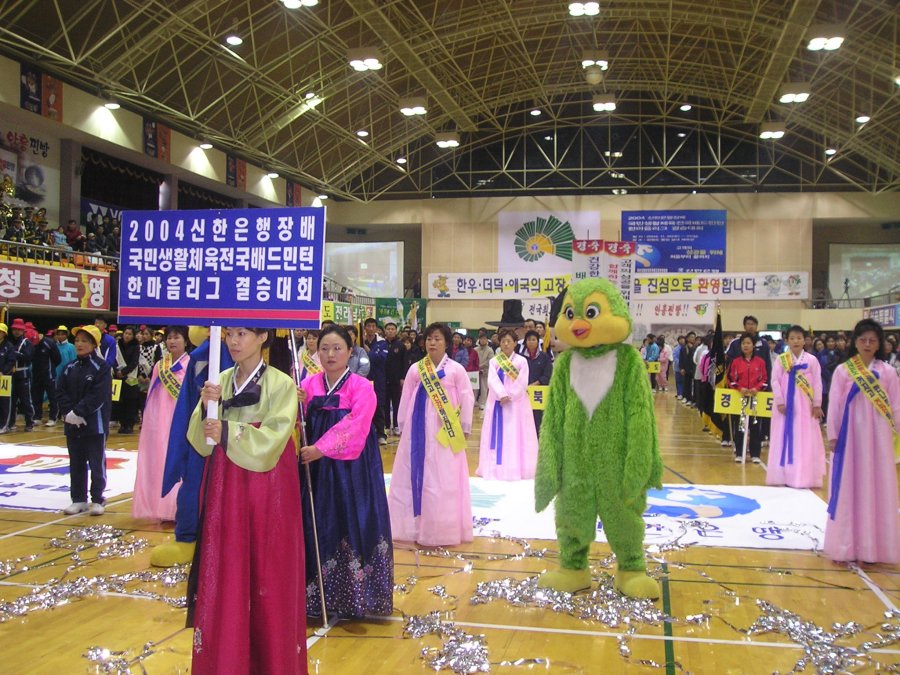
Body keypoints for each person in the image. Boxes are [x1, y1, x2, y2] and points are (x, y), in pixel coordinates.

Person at [186, 327, 306, 673]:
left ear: (263, 337)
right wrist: (207, 406)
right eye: (229, 335)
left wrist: (227, 431)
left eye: (242, 334)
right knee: (226, 568)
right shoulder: (218, 379)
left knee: (269, 570)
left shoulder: (281, 384)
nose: (234, 342)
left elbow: (273, 440)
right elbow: (198, 439)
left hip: (266, 488)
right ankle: (225, 660)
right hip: (224, 486)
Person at [297, 325, 393, 618]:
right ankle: (315, 597)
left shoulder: (363, 387)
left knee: (353, 519)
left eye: (337, 348)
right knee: (317, 522)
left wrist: (320, 448)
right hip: (315, 470)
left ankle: (359, 597)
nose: (330, 354)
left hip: (352, 469)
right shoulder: (308, 385)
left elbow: (358, 424)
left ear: (351, 352)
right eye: (324, 348)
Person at [388, 323, 475, 546]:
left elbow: (466, 397)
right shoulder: (416, 369)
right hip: (417, 431)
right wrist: (403, 425)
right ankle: (413, 527)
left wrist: (464, 426)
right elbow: (406, 396)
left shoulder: (456, 370)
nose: (432, 343)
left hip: (445, 431)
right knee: (415, 474)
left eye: (437, 339)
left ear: (447, 343)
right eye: (429, 339)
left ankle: (442, 528)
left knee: (443, 476)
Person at [824, 319, 900, 564]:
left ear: (880, 344)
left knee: (878, 485)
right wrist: (833, 435)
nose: (867, 344)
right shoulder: (844, 371)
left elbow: (896, 406)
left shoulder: (888, 372)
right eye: (863, 339)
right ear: (855, 342)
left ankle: (874, 546)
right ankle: (847, 544)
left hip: (879, 438)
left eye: (873, 340)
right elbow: (834, 404)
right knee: (850, 484)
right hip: (850, 437)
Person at [132, 327, 192, 521]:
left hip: (179, 418)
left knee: (175, 460)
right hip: (158, 419)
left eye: (177, 337)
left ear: (186, 340)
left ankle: (176, 508)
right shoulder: (160, 365)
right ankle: (159, 506)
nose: (172, 341)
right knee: (158, 460)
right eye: (169, 338)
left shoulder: (191, 364)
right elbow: (152, 394)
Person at [57, 326, 112, 516]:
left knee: (97, 463)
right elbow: (61, 391)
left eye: (84, 341)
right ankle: (78, 499)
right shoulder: (69, 367)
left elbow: (98, 395)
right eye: (77, 340)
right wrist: (69, 413)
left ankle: (98, 499)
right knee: (76, 462)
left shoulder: (102, 368)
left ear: (94, 344)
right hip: (72, 425)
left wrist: (80, 412)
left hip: (94, 425)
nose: (79, 344)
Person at [766, 326, 826, 488]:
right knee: (783, 436)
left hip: (805, 406)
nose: (796, 341)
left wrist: (817, 404)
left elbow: (818, 383)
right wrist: (779, 401)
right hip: (785, 406)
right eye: (792, 338)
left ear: (805, 340)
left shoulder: (812, 360)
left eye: (799, 338)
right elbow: (775, 381)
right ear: (787, 340)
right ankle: (783, 474)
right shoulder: (781, 360)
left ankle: (804, 475)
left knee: (805, 437)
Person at [478, 329, 538, 480]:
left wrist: (510, 395)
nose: (506, 344)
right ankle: (494, 468)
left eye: (509, 341)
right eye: (503, 341)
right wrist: (501, 394)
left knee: (515, 434)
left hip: (516, 404)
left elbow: (522, 381)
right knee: (498, 433)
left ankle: (515, 468)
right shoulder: (494, 361)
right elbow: (491, 379)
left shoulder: (521, 361)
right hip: (498, 402)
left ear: (515, 343)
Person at [728, 332, 768, 463]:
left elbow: (765, 379)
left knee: (755, 427)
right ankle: (739, 452)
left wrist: (757, 388)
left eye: (748, 343)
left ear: (753, 345)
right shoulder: (735, 362)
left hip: (756, 399)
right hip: (740, 399)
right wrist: (740, 388)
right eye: (743, 343)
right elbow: (731, 379)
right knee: (740, 426)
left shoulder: (761, 362)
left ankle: (755, 454)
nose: (746, 346)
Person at [5, 318, 35, 432]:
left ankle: (29, 422)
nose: (16, 332)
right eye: (14, 329)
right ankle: (10, 422)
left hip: (22, 375)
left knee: (26, 400)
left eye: (19, 330)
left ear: (23, 331)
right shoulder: (9, 342)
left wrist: (14, 353)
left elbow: (28, 357)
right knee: (10, 401)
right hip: (10, 376)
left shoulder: (27, 343)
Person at [362, 318, 389, 445]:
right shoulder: (360, 341)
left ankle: (381, 434)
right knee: (363, 405)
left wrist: (369, 352)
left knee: (378, 406)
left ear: (376, 328)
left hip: (378, 379)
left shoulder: (382, 342)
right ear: (365, 328)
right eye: (368, 326)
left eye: (373, 326)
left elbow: (382, 358)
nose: (371, 328)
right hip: (363, 379)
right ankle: (366, 433)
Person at [522, 329, 552, 432]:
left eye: (534, 339)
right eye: (529, 339)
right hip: (524, 391)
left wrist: (536, 383)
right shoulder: (521, 358)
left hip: (538, 392)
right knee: (524, 415)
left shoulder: (544, 357)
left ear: (538, 341)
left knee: (537, 417)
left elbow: (547, 375)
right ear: (525, 342)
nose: (531, 342)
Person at [32, 328, 61, 424]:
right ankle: (37, 416)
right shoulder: (32, 344)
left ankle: (53, 418)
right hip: (36, 375)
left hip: (49, 375)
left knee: (52, 397)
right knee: (36, 397)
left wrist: (50, 368)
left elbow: (57, 359)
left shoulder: (49, 343)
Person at [115, 326, 141, 434]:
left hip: (131, 377)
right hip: (118, 377)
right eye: (126, 333)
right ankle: (122, 424)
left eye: (130, 334)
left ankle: (129, 425)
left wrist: (124, 372)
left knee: (130, 402)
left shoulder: (136, 346)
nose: (127, 336)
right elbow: (114, 359)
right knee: (120, 402)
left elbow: (134, 362)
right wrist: (117, 372)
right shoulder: (117, 345)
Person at [384, 322, 406, 435]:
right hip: (383, 379)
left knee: (397, 403)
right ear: (385, 331)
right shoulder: (381, 344)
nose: (390, 331)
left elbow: (404, 362)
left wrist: (402, 377)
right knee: (385, 403)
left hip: (396, 380)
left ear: (396, 331)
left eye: (393, 329)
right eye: (388, 329)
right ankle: (387, 425)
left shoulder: (400, 345)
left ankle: (397, 425)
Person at [475, 334, 495, 410]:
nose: (483, 340)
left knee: (484, 388)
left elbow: (490, 360)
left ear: (487, 340)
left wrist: (481, 366)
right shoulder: (475, 349)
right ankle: (474, 401)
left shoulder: (490, 350)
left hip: (485, 371)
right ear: (479, 340)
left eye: (484, 339)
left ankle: (483, 403)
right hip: (476, 371)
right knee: (475, 387)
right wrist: (476, 367)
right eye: (481, 339)